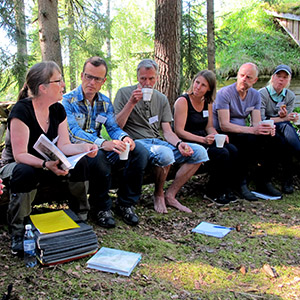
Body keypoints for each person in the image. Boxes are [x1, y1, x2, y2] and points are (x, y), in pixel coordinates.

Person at [0, 61, 98, 255]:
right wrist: (46, 164)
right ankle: (19, 232)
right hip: (17, 167)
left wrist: (85, 147)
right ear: (43, 88)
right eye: (58, 81)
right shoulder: (21, 111)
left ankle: (80, 217)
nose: (63, 85)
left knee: (81, 162)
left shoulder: (57, 110)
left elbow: (63, 146)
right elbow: (20, 156)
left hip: (47, 165)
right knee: (25, 171)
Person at [62, 56, 149, 228]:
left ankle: (126, 204)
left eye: (97, 79)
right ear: (81, 75)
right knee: (99, 156)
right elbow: (73, 132)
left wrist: (124, 138)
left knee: (140, 151)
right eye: (88, 76)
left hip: (99, 146)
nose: (91, 82)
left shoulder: (104, 102)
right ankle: (101, 208)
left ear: (104, 81)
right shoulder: (67, 101)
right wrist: (102, 143)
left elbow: (113, 127)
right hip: (77, 150)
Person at [114, 59, 209, 214]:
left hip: (157, 142)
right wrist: (131, 103)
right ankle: (158, 194)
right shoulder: (124, 93)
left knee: (199, 152)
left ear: (157, 78)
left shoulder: (161, 98)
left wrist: (179, 144)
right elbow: (117, 126)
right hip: (137, 144)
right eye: (143, 78)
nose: (147, 83)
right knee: (165, 154)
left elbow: (167, 131)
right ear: (137, 77)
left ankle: (170, 195)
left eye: (151, 78)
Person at [213, 62, 284, 201]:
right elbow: (224, 125)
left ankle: (263, 181)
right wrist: (252, 130)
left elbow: (256, 122)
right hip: (225, 133)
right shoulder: (225, 93)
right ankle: (241, 184)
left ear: (255, 80)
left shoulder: (255, 95)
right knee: (248, 141)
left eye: (248, 77)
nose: (244, 79)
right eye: (241, 75)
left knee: (276, 140)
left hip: (244, 131)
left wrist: (266, 129)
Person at [173, 70, 239, 206]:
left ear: (209, 88)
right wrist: (203, 140)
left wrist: (216, 135)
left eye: (203, 85)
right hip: (189, 142)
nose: (198, 87)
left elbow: (209, 127)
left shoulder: (207, 102)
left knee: (232, 149)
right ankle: (212, 191)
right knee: (221, 153)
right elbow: (179, 131)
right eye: (197, 82)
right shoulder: (183, 101)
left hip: (204, 139)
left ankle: (226, 188)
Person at [259, 64, 299, 194]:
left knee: (291, 143)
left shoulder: (290, 96)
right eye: (278, 76)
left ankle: (288, 180)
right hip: (266, 128)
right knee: (283, 142)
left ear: (289, 80)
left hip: (283, 127)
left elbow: (287, 118)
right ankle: (285, 180)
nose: (281, 80)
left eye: (285, 77)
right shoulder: (262, 94)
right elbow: (261, 119)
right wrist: (284, 118)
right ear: (272, 77)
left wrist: (287, 116)